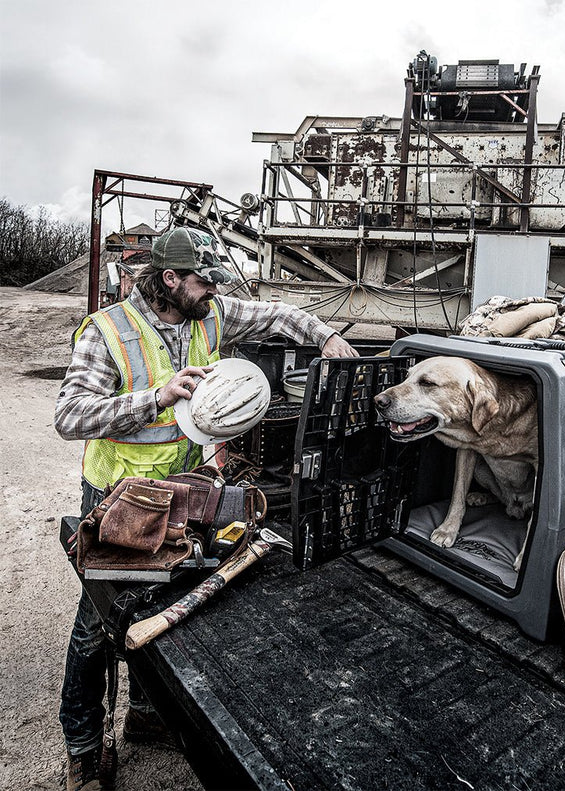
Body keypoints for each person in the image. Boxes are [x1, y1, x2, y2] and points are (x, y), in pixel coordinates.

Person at [54, 226, 358, 791]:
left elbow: (273, 316)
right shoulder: (108, 332)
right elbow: (70, 416)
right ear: (169, 279)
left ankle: (145, 717)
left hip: (187, 492)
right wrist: (158, 397)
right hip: (120, 495)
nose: (213, 290)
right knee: (99, 624)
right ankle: (83, 747)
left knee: (162, 605)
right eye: (203, 279)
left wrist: (326, 337)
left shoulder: (210, 313)